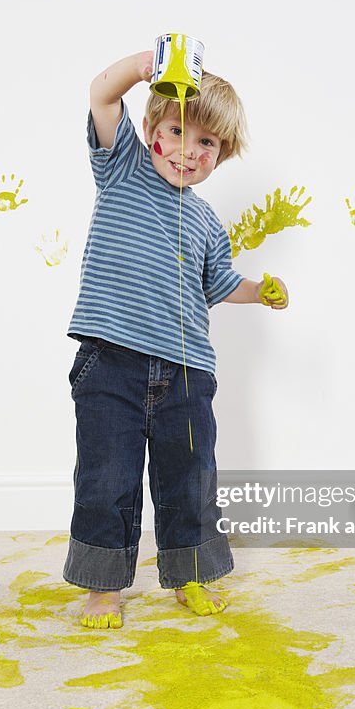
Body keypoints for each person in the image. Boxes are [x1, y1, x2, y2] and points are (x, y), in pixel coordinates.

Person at [62, 49, 288, 627]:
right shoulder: (123, 168)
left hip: (187, 371)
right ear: (149, 130)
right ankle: (103, 587)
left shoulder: (210, 222)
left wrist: (259, 289)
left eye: (207, 143)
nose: (190, 150)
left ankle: (189, 571)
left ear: (222, 154)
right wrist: (141, 68)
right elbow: (100, 94)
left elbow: (220, 283)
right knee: (105, 478)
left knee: (189, 479)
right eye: (176, 132)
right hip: (110, 361)